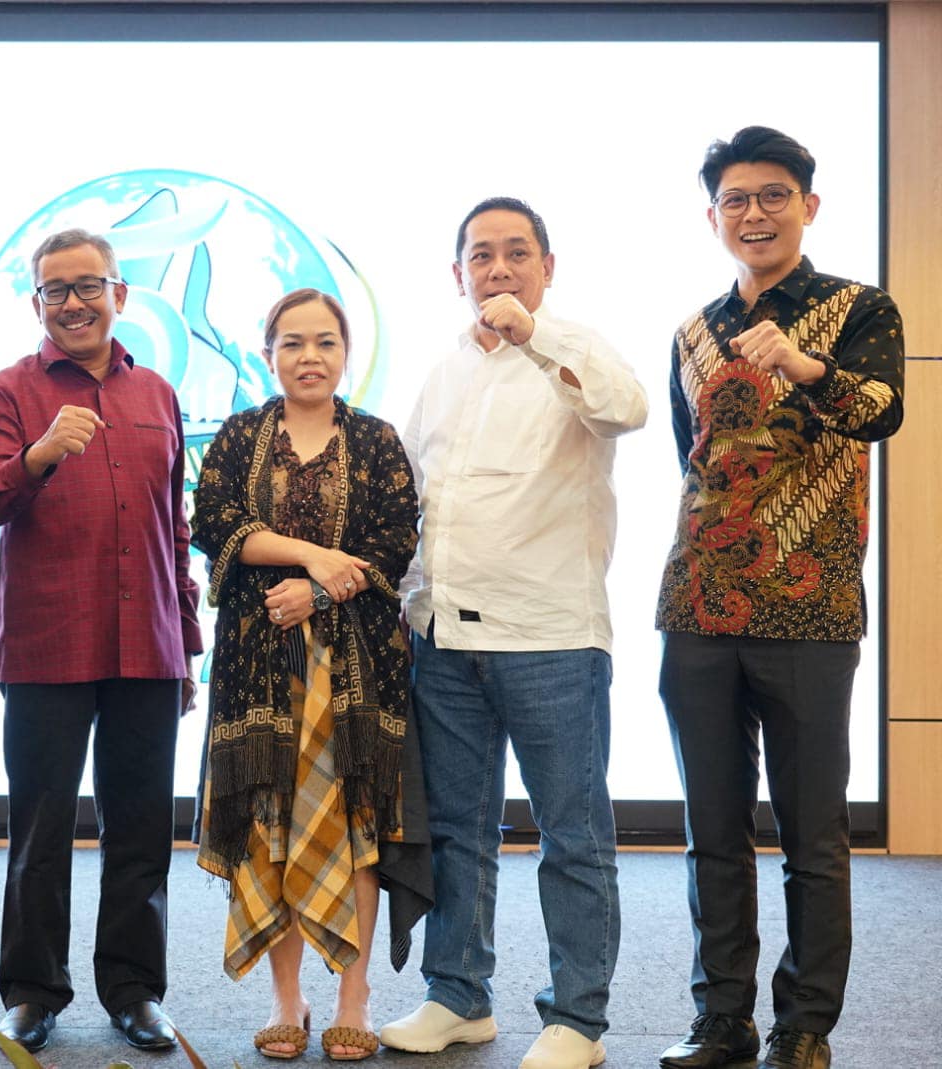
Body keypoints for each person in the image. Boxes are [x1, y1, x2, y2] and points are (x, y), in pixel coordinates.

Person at [654, 128, 904, 1069]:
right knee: (712, 831)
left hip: (811, 607)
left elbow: (883, 409)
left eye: (772, 195)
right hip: (698, 605)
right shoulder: (692, 330)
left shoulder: (859, 309)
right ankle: (723, 1017)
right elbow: (694, 455)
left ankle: (805, 1025)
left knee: (813, 834)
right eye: (736, 199)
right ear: (713, 215)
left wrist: (806, 366)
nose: (753, 213)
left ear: (808, 205)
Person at [380, 197, 647, 1069]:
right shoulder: (444, 370)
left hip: (551, 637)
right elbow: (415, 499)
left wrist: (536, 335)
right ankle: (458, 995)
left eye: (517, 252)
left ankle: (578, 1019)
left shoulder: (574, 348)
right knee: (459, 829)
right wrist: (406, 604)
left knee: (573, 833)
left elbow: (627, 408)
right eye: (481, 254)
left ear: (547, 266)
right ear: (456, 272)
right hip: (444, 640)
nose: (497, 268)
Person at [0, 227, 202, 1055]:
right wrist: (38, 455)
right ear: (37, 302)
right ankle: (33, 993)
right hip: (48, 642)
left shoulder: (159, 393)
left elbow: (174, 526)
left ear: (119, 294)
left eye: (88, 285)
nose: (73, 302)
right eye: (56, 289)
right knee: (40, 830)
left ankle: (135, 991)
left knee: (141, 828)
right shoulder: (7, 390)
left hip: (149, 642)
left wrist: (186, 640)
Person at [192, 289, 431, 1062]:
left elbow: (394, 543)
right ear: (268, 355)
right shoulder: (239, 436)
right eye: (292, 343)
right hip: (256, 669)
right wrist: (311, 555)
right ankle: (286, 998)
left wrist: (319, 588)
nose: (310, 356)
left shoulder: (377, 440)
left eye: (325, 342)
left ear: (346, 352)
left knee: (355, 827)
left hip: (355, 669)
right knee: (271, 827)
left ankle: (353, 998)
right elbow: (216, 525)